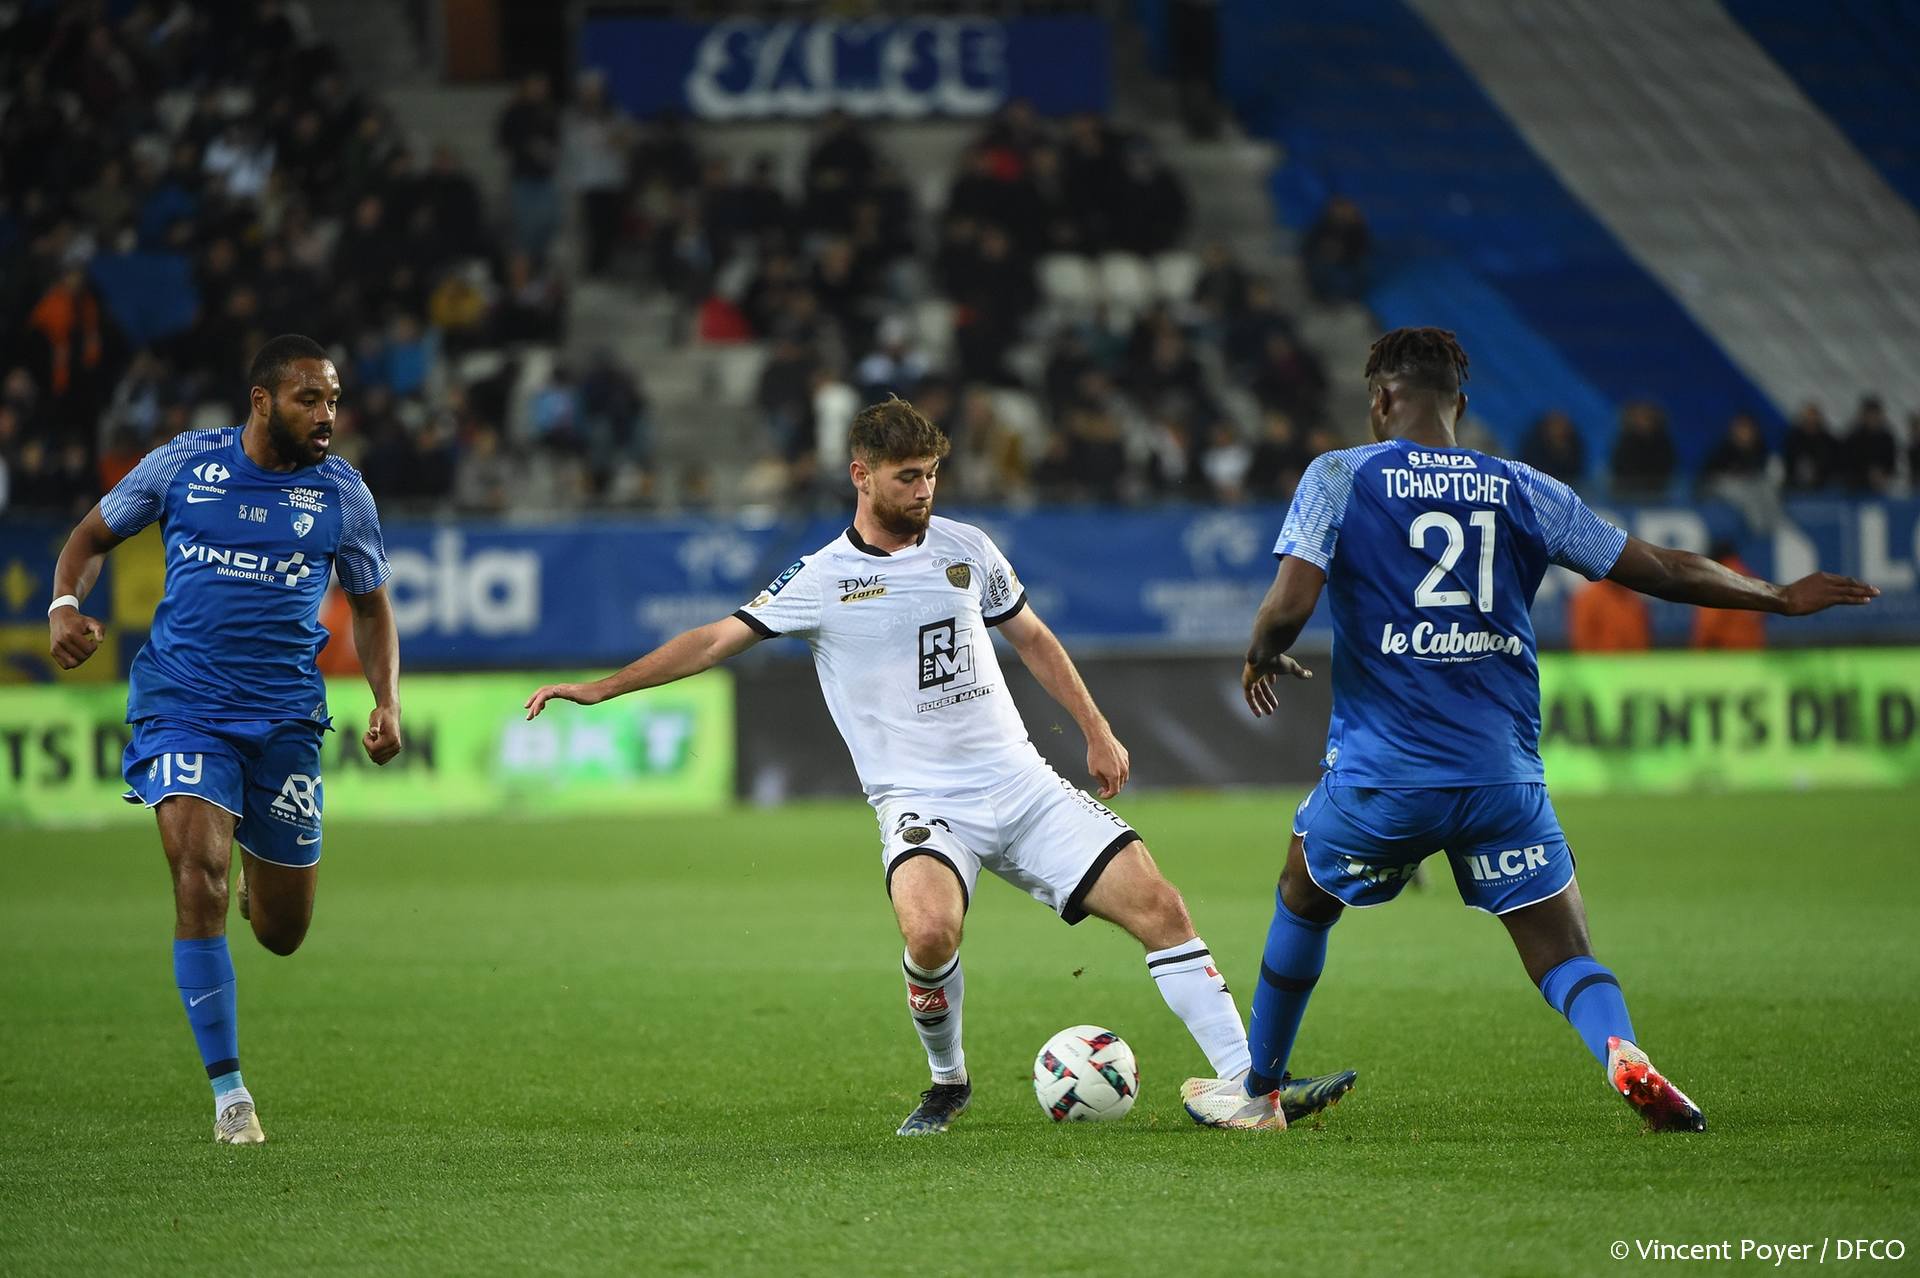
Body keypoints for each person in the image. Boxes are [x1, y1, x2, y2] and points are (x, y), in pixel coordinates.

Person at [525, 398, 1341, 1135]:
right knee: (928, 933)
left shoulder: (967, 548)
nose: (924, 492)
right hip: (921, 801)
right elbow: (713, 639)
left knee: (1161, 906)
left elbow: (1033, 639)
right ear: (861, 475)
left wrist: (1096, 730)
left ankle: (1250, 1087)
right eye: (907, 477)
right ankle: (948, 1080)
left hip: (1021, 784)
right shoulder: (821, 578)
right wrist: (602, 688)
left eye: (931, 475)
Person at [1182, 327, 1878, 1132]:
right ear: (1461, 404)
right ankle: (1621, 1050)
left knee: (1303, 894)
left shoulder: (1339, 475)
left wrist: (1261, 653)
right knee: (1563, 954)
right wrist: (1778, 597)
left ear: (1380, 399)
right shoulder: (1525, 487)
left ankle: (1260, 1090)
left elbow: (1291, 604)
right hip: (1503, 779)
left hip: (1386, 777)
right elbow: (1660, 568)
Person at [47, 335, 403, 1145]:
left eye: (334, 401)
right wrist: (64, 606)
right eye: (310, 400)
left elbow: (372, 607)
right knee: (198, 877)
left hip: (285, 720)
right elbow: (88, 539)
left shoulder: (343, 495)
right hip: (183, 704)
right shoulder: (184, 463)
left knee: (281, 933)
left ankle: (258, 876)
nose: (327, 416)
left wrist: (386, 700)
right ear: (262, 401)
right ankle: (230, 1095)